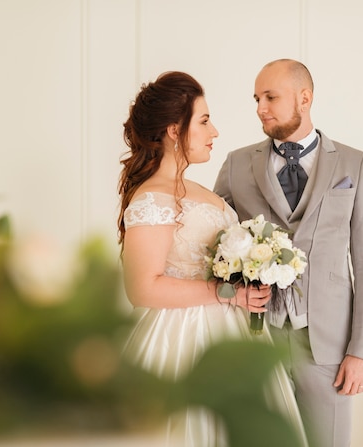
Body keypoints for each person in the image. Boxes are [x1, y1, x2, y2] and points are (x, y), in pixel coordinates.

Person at [117, 71, 308, 446]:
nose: (214, 131)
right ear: (175, 130)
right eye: (204, 121)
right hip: (181, 341)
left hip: (231, 333)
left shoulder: (199, 190)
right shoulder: (152, 199)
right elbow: (142, 288)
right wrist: (229, 294)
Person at [214, 59, 363, 447]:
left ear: (304, 98)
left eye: (270, 97)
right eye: (257, 99)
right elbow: (213, 242)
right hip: (256, 339)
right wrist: (229, 292)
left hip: (327, 346)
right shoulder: (238, 164)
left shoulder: (355, 164)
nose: (260, 107)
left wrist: (362, 351)